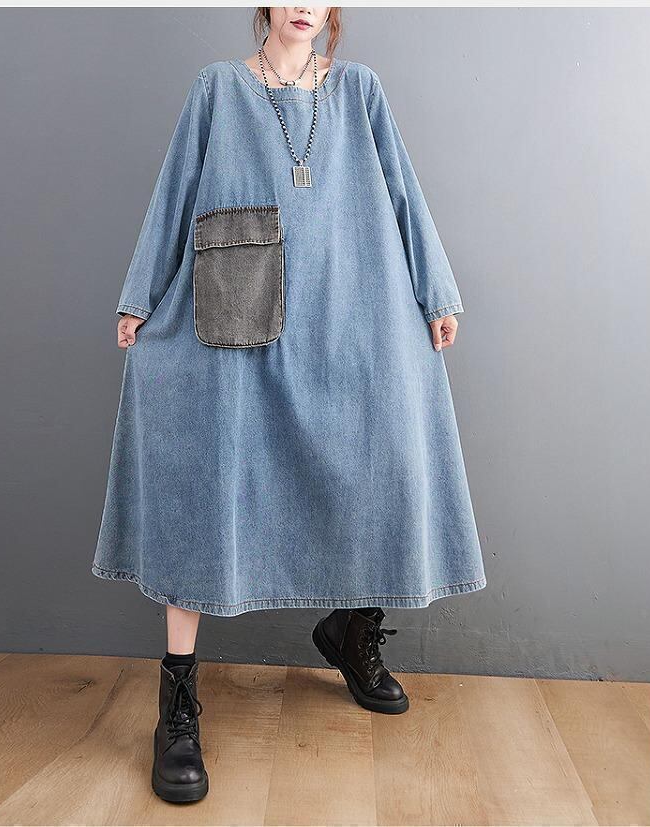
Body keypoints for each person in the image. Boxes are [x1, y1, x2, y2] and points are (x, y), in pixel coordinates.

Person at [92, 6, 487, 804]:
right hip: (238, 312)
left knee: (382, 459)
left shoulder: (360, 89)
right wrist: (140, 295)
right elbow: (175, 191)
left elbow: (402, 190)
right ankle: (177, 704)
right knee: (205, 488)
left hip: (357, 307)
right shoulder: (216, 88)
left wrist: (436, 289)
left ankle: (351, 629)